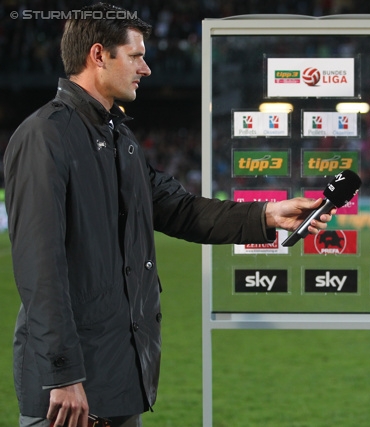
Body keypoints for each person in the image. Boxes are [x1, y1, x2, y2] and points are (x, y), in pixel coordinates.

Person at [3, 4, 334, 427]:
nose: (147, 68)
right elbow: (39, 269)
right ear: (99, 54)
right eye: (136, 55)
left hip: (119, 377)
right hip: (69, 390)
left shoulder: (118, 136)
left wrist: (269, 214)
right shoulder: (44, 136)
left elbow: (179, 209)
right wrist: (63, 373)